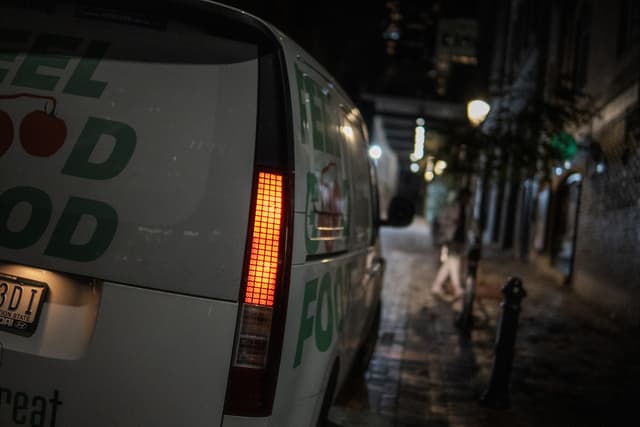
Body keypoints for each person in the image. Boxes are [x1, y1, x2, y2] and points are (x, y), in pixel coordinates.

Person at [431, 187, 473, 301]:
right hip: (450, 238)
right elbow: (439, 219)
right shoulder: (451, 207)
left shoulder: (468, 209)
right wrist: (451, 223)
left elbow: (468, 225)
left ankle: (437, 285)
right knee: (454, 260)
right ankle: (457, 287)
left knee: (450, 262)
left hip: (461, 239)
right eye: (466, 197)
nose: (467, 200)